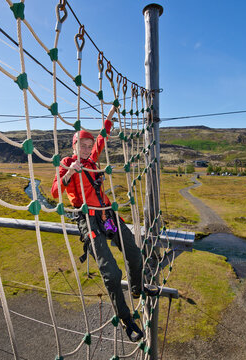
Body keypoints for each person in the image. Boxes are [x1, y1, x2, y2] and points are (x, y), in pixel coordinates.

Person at [51, 106, 156, 342]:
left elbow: (102, 138)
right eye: (82, 146)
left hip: (107, 214)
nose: (87, 149)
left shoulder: (93, 159)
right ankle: (126, 319)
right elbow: (55, 190)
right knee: (111, 271)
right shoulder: (66, 163)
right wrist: (69, 172)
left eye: (89, 146)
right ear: (74, 146)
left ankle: (138, 288)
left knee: (134, 253)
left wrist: (109, 117)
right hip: (88, 219)